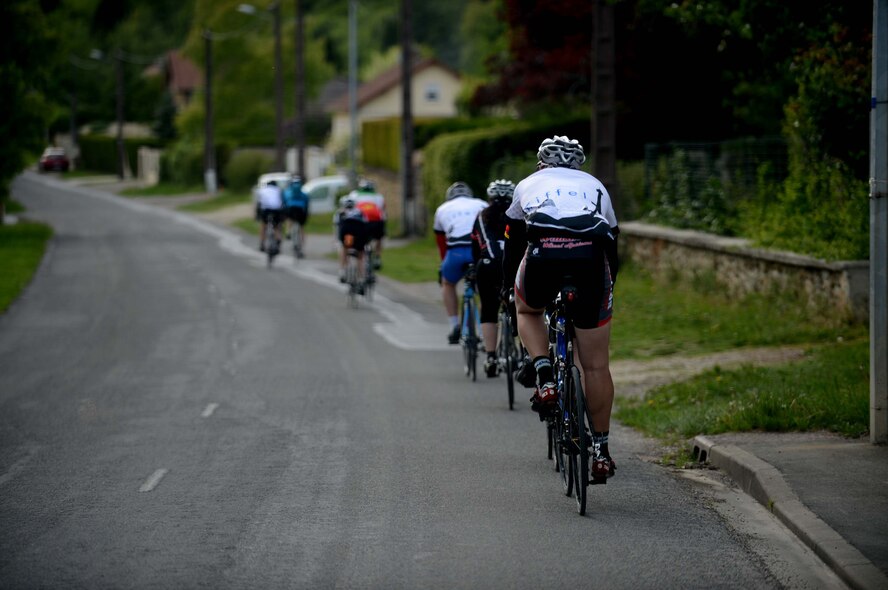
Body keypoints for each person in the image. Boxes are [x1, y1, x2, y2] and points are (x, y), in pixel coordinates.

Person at [503, 135, 620, 480]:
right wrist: (607, 290)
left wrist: (510, 290)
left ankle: (544, 375)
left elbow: (512, 244)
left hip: (543, 258)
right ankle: (600, 450)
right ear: (578, 164)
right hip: (590, 264)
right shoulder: (596, 186)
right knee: (596, 366)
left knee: (527, 310)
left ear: (542, 163)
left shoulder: (528, 184)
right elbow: (612, 246)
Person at [433, 181, 489, 344]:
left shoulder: (442, 209)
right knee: (485, 289)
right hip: (478, 250)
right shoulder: (481, 203)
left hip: (455, 251)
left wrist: (444, 264)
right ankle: (482, 330)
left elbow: (441, 242)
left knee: (448, 284)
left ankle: (454, 326)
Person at [471, 179, 516, 378]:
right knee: (523, 310)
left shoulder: (482, 216)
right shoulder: (518, 213)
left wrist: (474, 268)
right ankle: (525, 356)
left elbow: (475, 246)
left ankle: (490, 357)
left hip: (488, 266)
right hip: (514, 266)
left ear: (490, 198)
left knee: (489, 309)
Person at [333, 195, 370, 292]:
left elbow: (337, 228)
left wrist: (337, 241)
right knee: (360, 256)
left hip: (348, 233)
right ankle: (361, 280)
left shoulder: (340, 212)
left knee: (345, 248)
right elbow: (366, 225)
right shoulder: (360, 212)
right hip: (359, 232)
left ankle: (342, 272)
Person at [348, 179, 387, 269]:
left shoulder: (354, 195)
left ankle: (353, 249)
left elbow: (349, 210)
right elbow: (383, 212)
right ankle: (377, 257)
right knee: (379, 238)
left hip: (360, 223)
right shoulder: (379, 197)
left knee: (355, 236)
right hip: (376, 223)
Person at [282, 175, 310, 258]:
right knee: (301, 228)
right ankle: (301, 247)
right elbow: (307, 202)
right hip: (301, 210)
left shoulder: (288, 191)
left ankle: (288, 232)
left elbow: (285, 202)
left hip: (291, 208)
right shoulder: (303, 193)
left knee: (289, 219)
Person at [256, 179, 284, 252]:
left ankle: (262, 244)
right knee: (277, 226)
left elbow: (259, 203)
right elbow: (282, 202)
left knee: (263, 226)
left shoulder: (263, 190)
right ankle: (278, 239)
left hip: (266, 210)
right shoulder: (278, 190)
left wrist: (257, 215)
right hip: (276, 210)